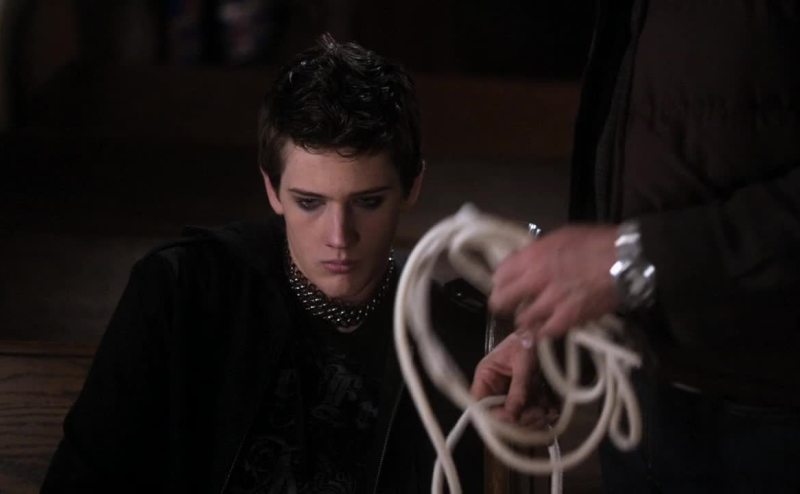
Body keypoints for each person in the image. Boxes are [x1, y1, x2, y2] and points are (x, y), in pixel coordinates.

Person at [42, 34, 485, 493]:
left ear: (412, 187)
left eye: (368, 202)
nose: (339, 237)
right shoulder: (182, 291)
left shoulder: (452, 333)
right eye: (309, 202)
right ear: (273, 190)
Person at [471, 1, 800, 492]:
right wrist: (564, 330)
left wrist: (633, 260)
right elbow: (648, 152)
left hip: (769, 419)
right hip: (644, 398)